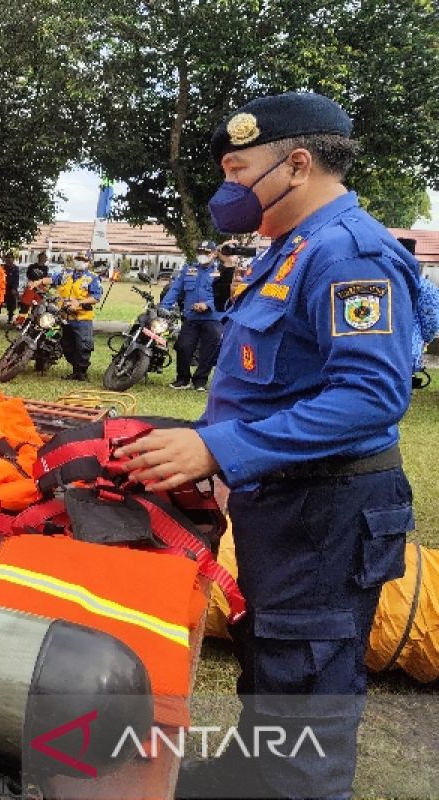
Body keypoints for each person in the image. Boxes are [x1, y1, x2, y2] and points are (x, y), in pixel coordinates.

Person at [117, 92, 419, 799]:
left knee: (306, 680)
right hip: (284, 504)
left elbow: (369, 395)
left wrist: (221, 450)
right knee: (273, 655)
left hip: (329, 512)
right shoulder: (293, 249)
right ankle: (252, 773)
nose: (227, 189)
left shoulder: (350, 253)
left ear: (298, 164)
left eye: (236, 168)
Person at [161, 240, 224, 391]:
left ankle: (200, 381)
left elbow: (225, 295)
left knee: (208, 351)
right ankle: (182, 379)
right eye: (200, 253)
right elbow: (176, 289)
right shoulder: (189, 269)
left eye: (206, 253)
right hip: (191, 317)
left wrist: (207, 304)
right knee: (183, 346)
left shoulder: (221, 272)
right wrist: (164, 306)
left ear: (214, 254)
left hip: (213, 318)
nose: (202, 256)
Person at [50, 251, 102, 380]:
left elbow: (96, 297)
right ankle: (75, 370)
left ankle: (81, 372)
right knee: (67, 345)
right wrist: (38, 281)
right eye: (77, 258)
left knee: (83, 346)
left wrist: (79, 302)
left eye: (83, 259)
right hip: (66, 317)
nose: (79, 261)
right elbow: (52, 279)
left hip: (82, 318)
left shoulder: (92, 278)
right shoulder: (66, 274)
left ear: (88, 262)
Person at [0, 250, 21, 324]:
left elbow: (16, 279)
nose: (9, 259)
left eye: (10, 257)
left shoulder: (16, 268)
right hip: (2, 287)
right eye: (7, 257)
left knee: (11, 303)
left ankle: (10, 317)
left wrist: (14, 288)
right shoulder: (2, 267)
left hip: (11, 287)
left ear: (13, 259)